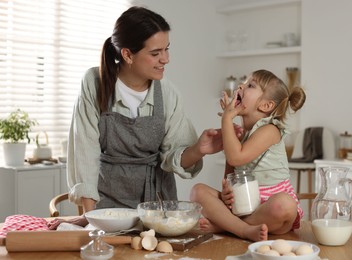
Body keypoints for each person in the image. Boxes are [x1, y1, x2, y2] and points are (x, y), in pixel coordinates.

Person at [48, 6, 236, 230]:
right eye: (155, 53)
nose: (165, 59)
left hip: (159, 207)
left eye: (167, 49)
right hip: (109, 207)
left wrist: (199, 149)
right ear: (127, 54)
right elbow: (85, 155)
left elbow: (174, 156)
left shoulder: (167, 93)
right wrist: (94, 221)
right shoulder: (94, 83)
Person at [190, 69, 306, 242]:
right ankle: (243, 228)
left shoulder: (271, 130)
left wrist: (227, 120)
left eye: (250, 85)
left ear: (266, 105)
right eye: (244, 83)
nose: (241, 86)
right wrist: (227, 192)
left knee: (285, 204)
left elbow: (236, 157)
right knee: (197, 192)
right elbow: (231, 170)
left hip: (270, 211)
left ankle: (229, 227)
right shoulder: (241, 134)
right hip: (243, 205)